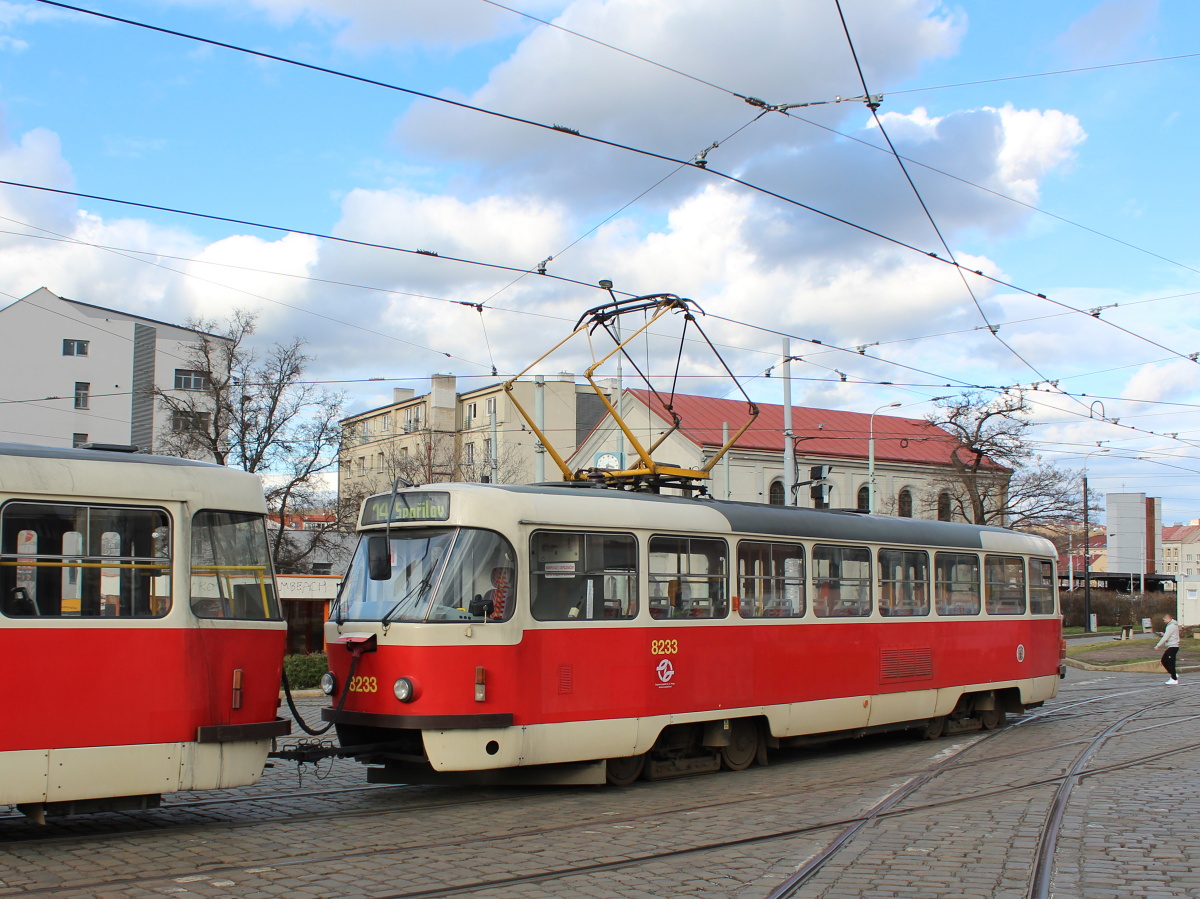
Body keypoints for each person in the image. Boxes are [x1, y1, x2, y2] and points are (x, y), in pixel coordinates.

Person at [1154, 612, 1181, 685]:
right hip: (1172, 646)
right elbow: (1168, 635)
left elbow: (1166, 638)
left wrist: (1158, 645)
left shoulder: (1171, 626)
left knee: (1170, 663)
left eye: (1164, 620)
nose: (1164, 621)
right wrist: (1163, 634)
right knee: (1164, 661)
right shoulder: (1173, 625)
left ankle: (1174, 679)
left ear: (1168, 618)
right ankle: (1173, 674)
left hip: (1173, 646)